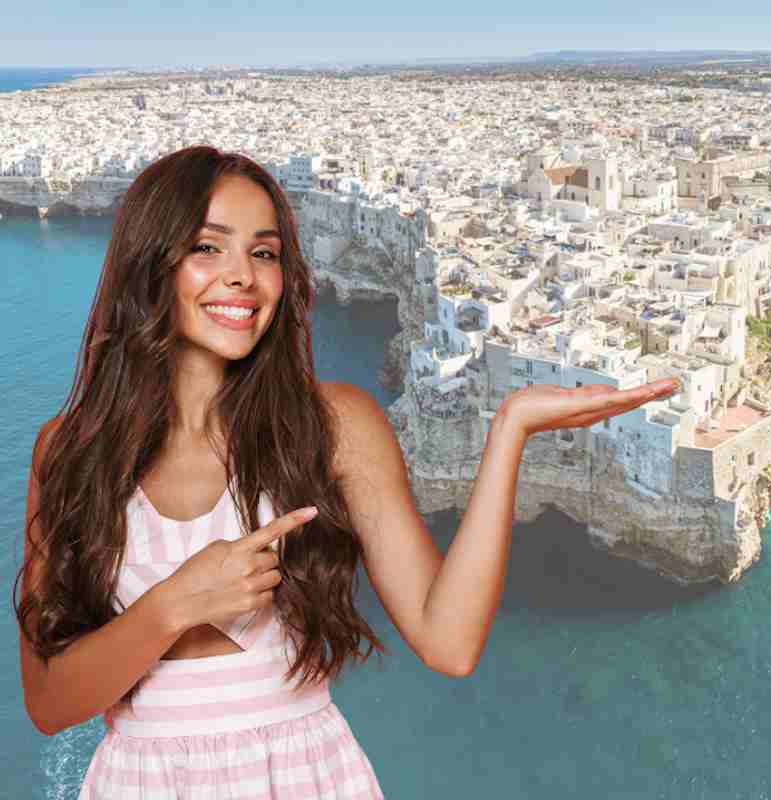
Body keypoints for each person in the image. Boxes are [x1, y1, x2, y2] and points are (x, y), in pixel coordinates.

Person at [14, 145, 681, 798]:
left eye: (265, 252)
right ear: (149, 265)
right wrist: (174, 606)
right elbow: (49, 704)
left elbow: (449, 643)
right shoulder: (70, 449)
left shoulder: (332, 425)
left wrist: (510, 431)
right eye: (207, 247)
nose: (243, 275)